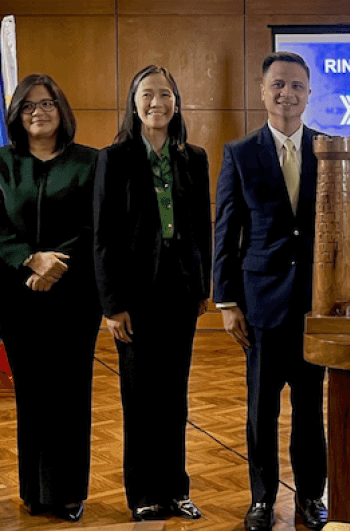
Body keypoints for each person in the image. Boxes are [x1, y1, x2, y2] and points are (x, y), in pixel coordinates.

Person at [213, 51, 328, 531]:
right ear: (263, 91)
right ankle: (262, 500)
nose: (287, 94)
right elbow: (225, 229)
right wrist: (225, 301)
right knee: (261, 410)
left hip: (314, 303)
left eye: (297, 86)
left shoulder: (330, 148)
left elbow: (338, 227)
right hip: (259, 305)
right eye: (278, 85)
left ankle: (310, 498)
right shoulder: (240, 153)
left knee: (309, 409)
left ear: (308, 93)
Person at [93, 65, 211, 521]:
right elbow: (102, 236)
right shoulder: (114, 157)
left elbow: (203, 226)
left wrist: (203, 287)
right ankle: (144, 493)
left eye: (165, 94)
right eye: (147, 94)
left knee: (174, 397)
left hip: (180, 294)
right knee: (140, 398)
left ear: (177, 102)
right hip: (133, 300)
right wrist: (111, 304)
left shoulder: (193, 157)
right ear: (134, 102)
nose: (156, 102)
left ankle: (176, 489)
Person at [0, 74, 101, 522]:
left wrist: (56, 263)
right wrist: (29, 259)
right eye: (27, 106)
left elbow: (98, 226)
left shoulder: (91, 163)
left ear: (62, 110)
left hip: (75, 296)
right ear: (16, 115)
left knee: (69, 393)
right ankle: (33, 491)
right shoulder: (1, 163)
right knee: (32, 394)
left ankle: (67, 494)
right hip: (17, 295)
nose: (37, 113)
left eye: (46, 104)